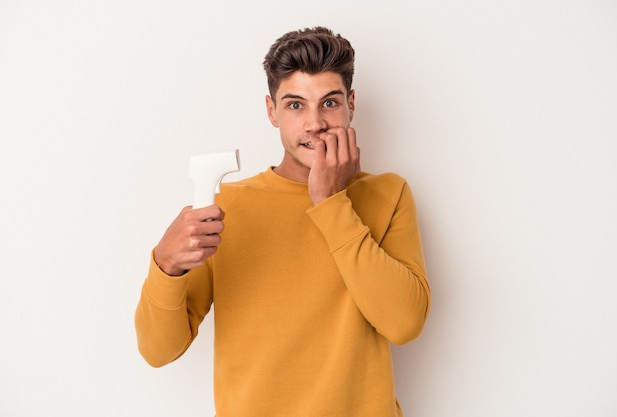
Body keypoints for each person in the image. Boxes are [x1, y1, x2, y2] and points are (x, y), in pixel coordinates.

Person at [135, 26, 431, 417]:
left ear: (351, 105)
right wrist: (166, 266)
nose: (314, 123)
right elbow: (158, 351)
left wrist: (330, 202)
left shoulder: (389, 194)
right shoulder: (228, 208)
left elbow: (405, 323)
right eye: (295, 105)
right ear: (271, 111)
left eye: (329, 103)